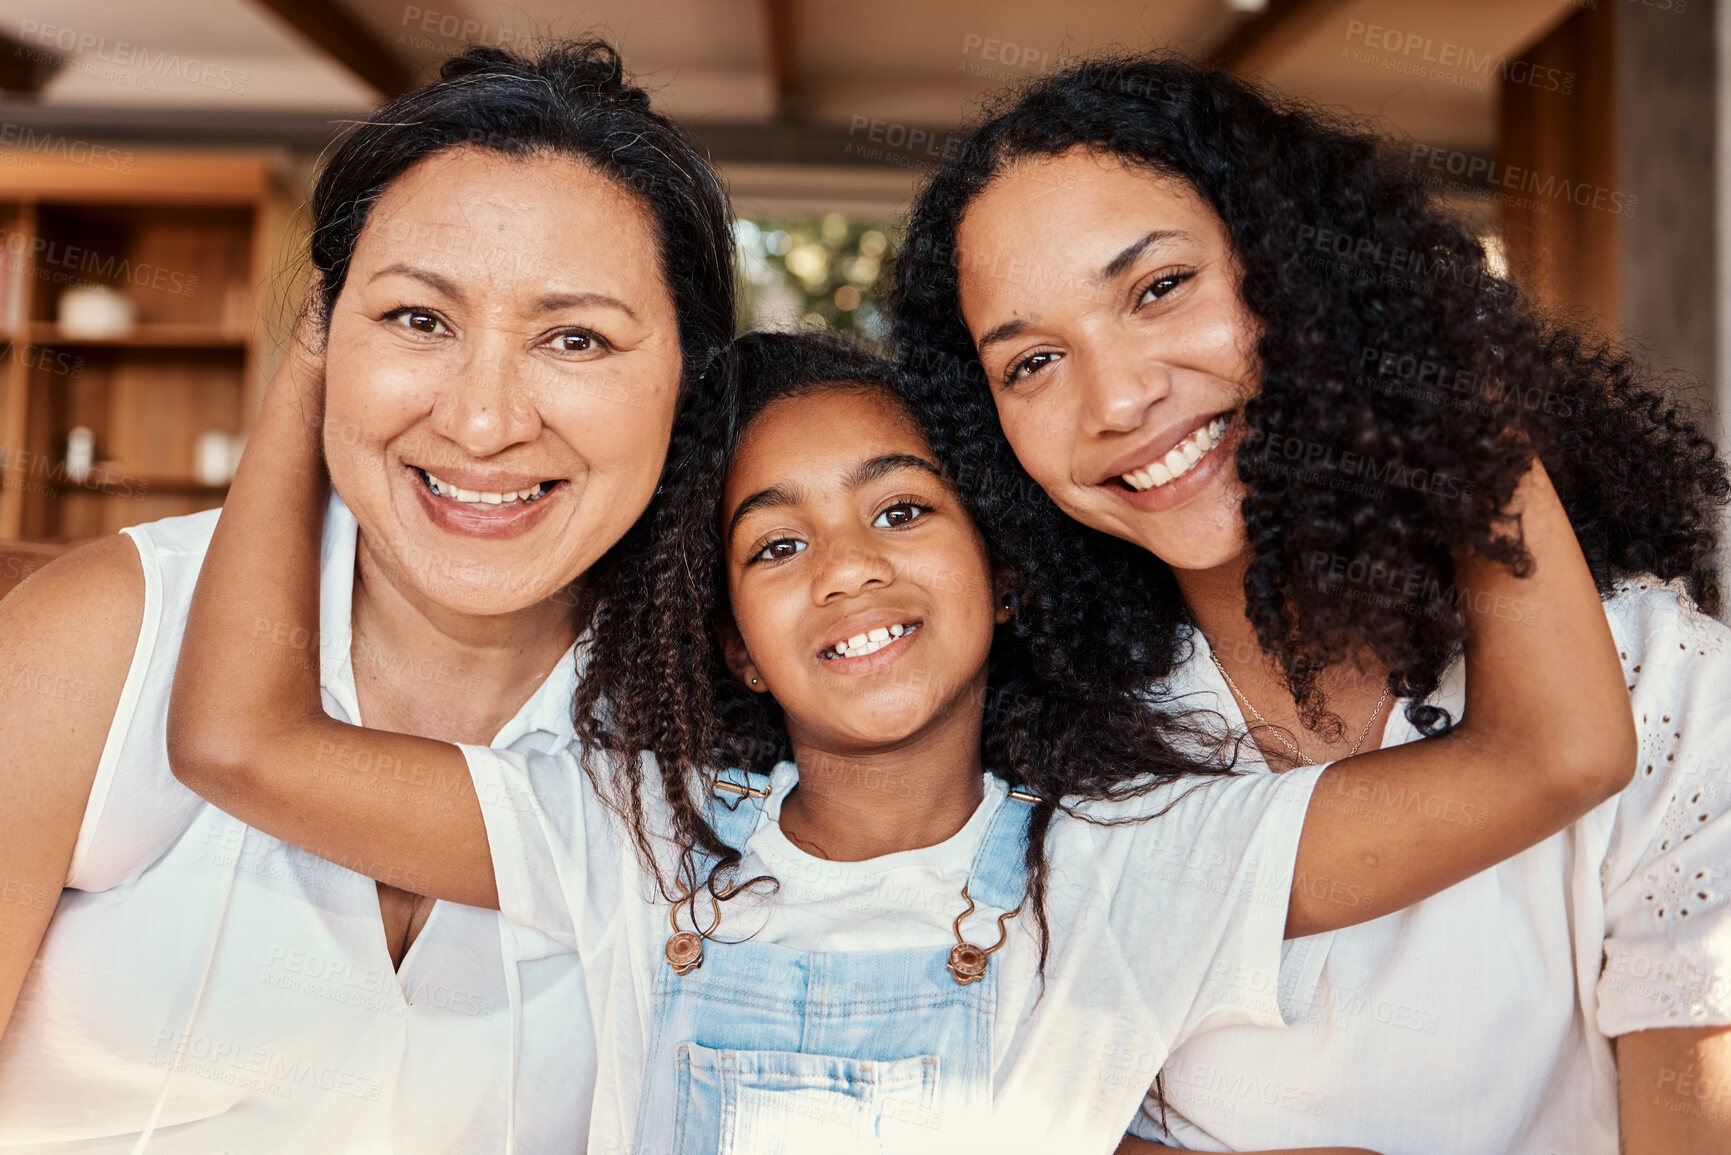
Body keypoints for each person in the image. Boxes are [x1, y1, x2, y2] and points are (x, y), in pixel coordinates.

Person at [167, 328, 1631, 1153]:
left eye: (902, 507)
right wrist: (308, 366)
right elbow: (241, 743)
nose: (850, 568)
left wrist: (1442, 363)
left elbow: (1547, 754)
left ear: (997, 561)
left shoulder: (1137, 859)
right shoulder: (618, 831)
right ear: (730, 634)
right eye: (776, 541)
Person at [886, 53, 1731, 1155]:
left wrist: (1438, 369)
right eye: (1035, 361)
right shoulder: (1025, 750)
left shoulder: (1655, 673)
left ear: (1302, 276)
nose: (1122, 398)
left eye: (1159, 288)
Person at [0, 40, 734, 1151]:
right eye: (417, 320)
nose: (484, 423)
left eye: (574, 338)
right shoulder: (105, 638)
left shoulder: (729, 744)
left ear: (690, 379)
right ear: (321, 336)